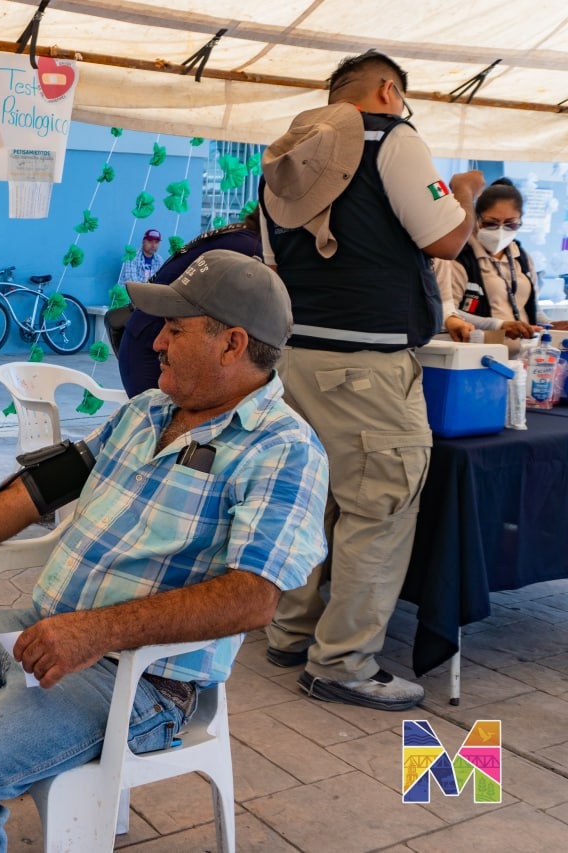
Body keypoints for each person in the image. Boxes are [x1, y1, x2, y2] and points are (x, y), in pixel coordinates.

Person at [0, 250, 329, 852]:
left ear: (232, 344)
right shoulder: (147, 413)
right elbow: (36, 492)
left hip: (140, 678)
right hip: (43, 628)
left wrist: (96, 632)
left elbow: (253, 599)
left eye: (175, 330)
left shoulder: (284, 449)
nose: (157, 344)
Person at [259, 49, 486, 711]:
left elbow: (274, 260)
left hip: (296, 355)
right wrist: (465, 194)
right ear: (388, 90)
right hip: (369, 367)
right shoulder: (394, 137)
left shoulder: (284, 154)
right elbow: (445, 240)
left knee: (308, 499)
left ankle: (289, 630)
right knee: (377, 509)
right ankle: (344, 662)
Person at [116, 220, 262, 396]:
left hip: (142, 331)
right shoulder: (251, 246)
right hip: (147, 341)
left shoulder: (235, 236)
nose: (153, 245)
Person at [438, 178, 568, 347]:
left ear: (520, 221)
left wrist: (551, 326)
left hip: (521, 356)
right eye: (491, 223)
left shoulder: (522, 257)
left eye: (510, 224)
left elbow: (532, 310)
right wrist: (499, 325)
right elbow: (448, 312)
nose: (500, 230)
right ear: (476, 219)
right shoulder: (459, 257)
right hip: (477, 354)